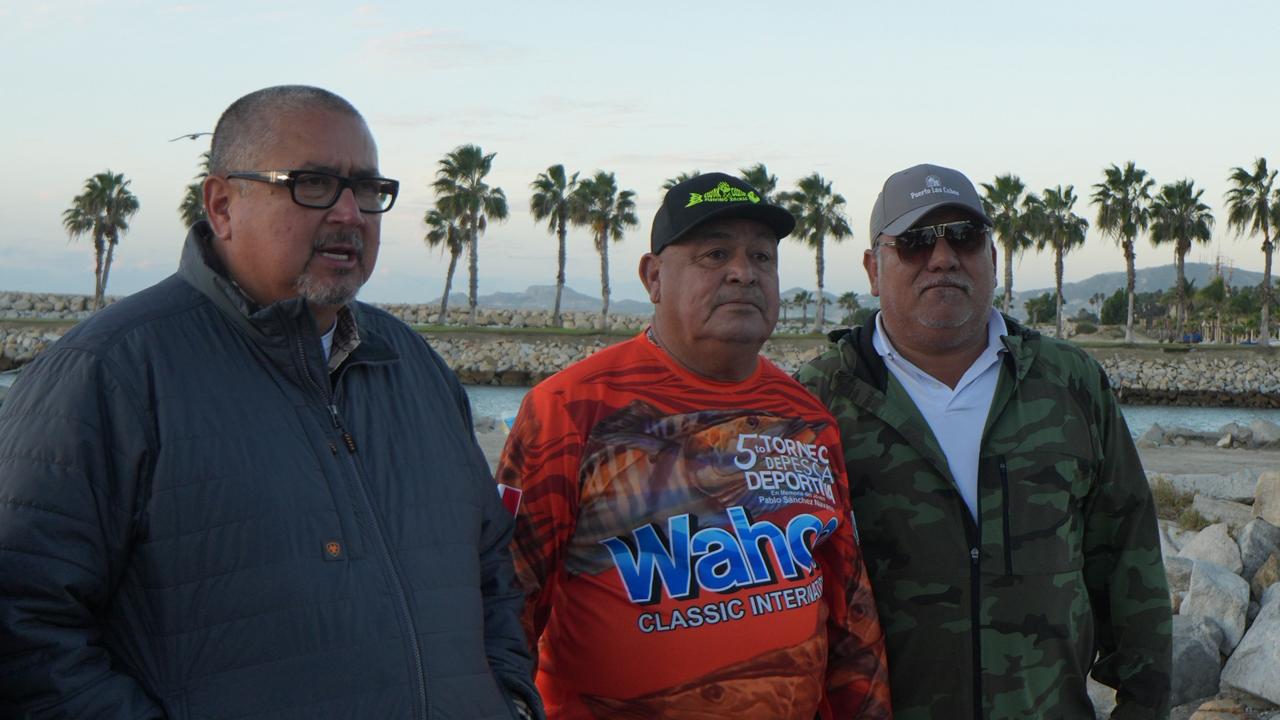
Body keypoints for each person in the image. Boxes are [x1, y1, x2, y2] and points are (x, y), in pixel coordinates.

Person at [0, 85, 541, 719]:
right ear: (222, 204)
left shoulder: (415, 367)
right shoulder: (109, 373)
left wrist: (509, 697)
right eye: (313, 183)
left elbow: (489, 568)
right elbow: (25, 629)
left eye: (368, 189)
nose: (350, 213)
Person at [496, 172, 892, 719]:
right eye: (715, 254)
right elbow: (505, 604)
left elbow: (851, 613)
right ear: (654, 277)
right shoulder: (567, 410)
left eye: (762, 256)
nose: (743, 272)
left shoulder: (807, 419)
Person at [795, 163, 1172, 718]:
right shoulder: (815, 403)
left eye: (964, 237)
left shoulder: (1070, 383)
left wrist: (1144, 706)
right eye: (916, 241)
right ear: (874, 269)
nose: (943, 257)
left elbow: (1129, 559)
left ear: (992, 258)